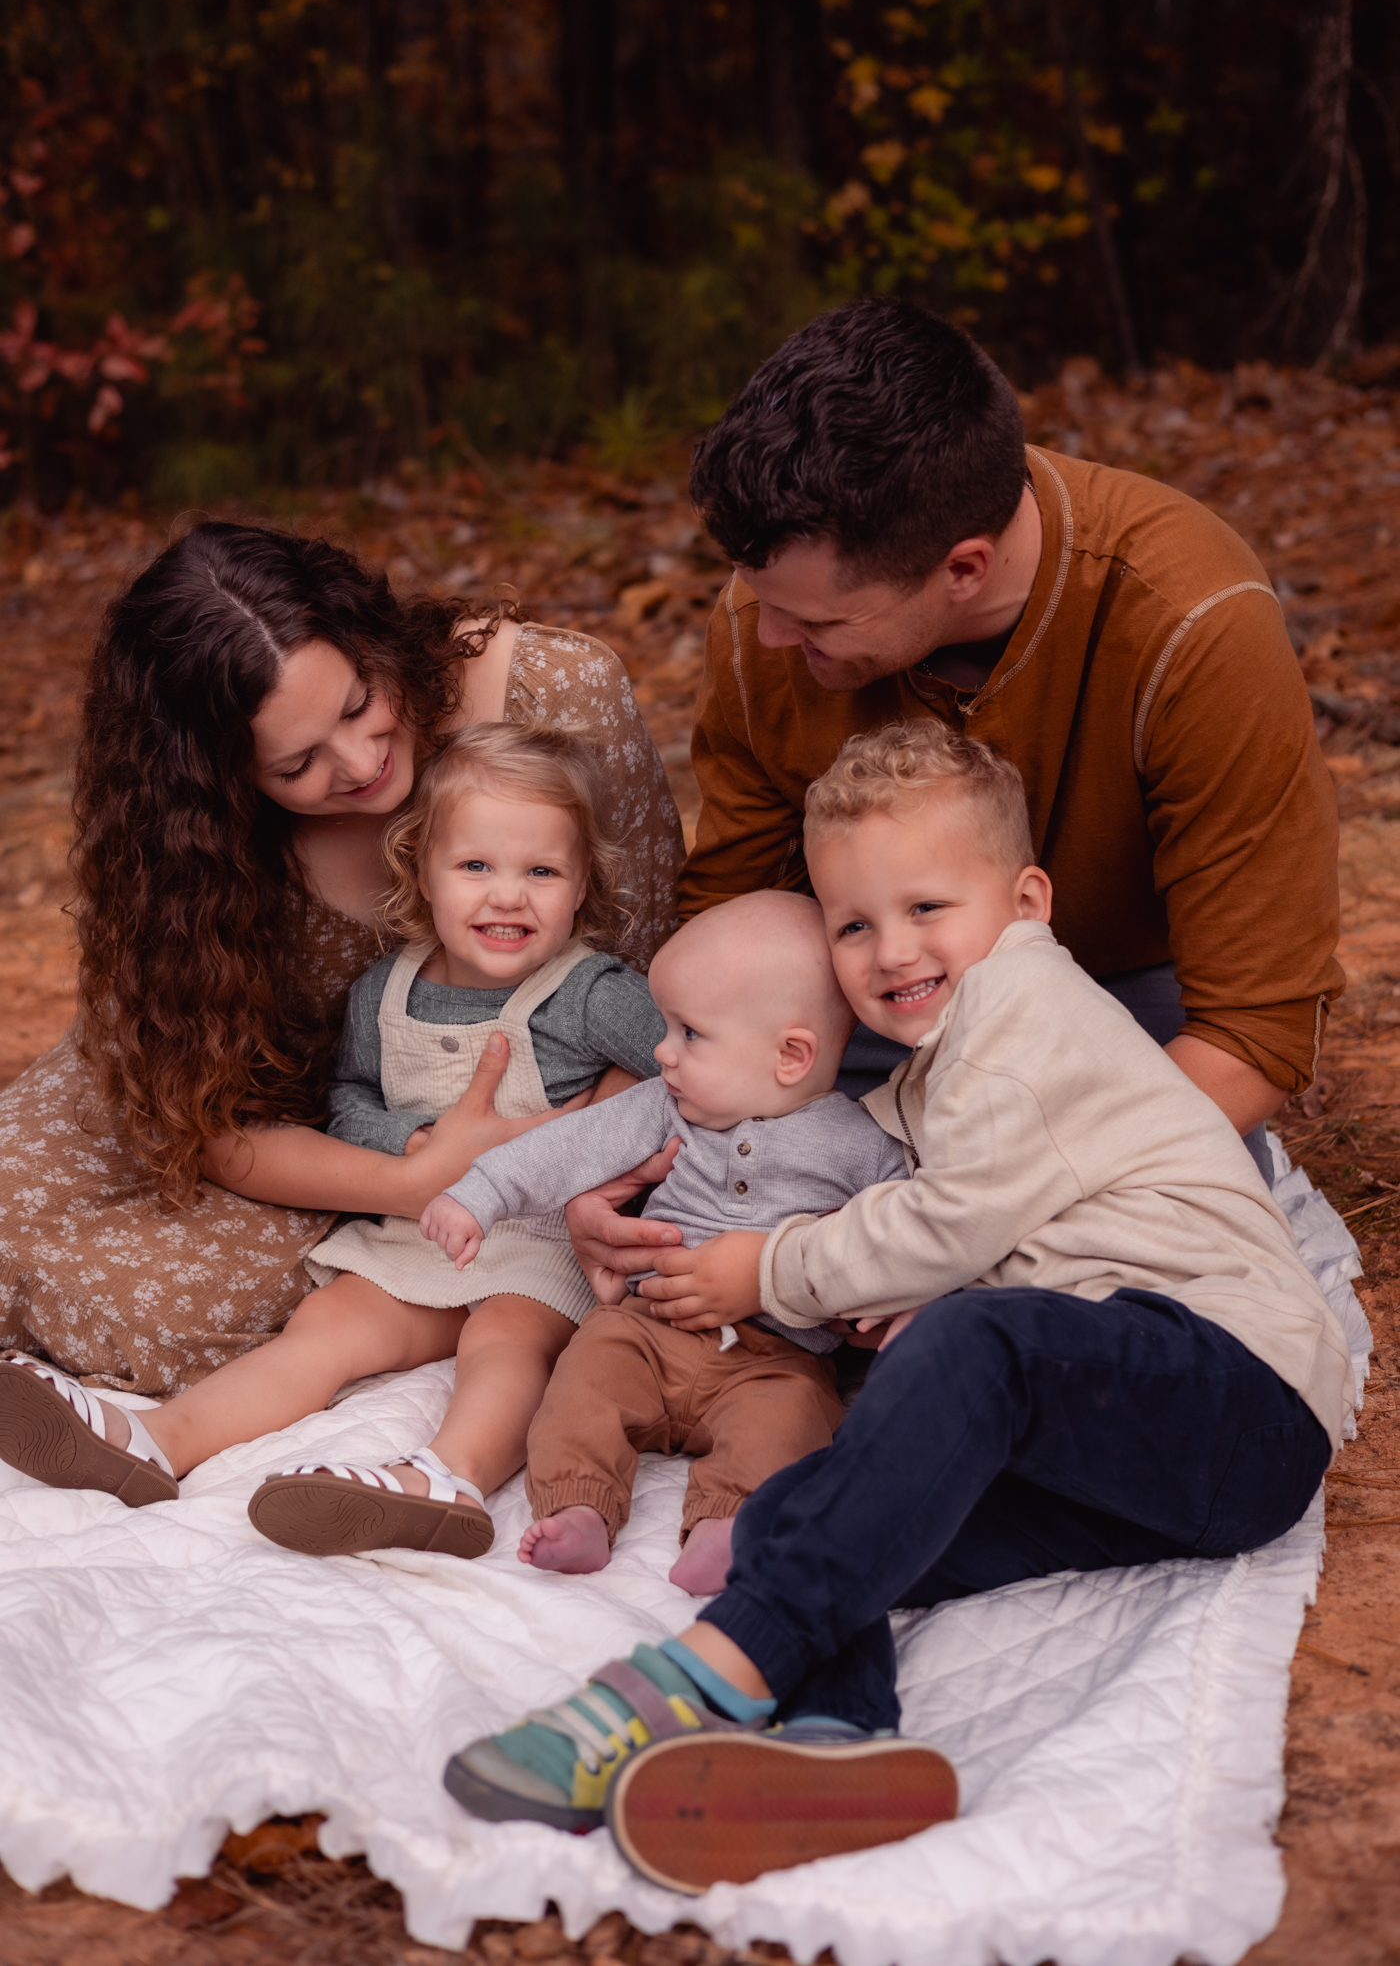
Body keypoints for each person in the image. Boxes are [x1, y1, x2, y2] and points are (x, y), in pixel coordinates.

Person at [443, 723, 1352, 1898]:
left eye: (928, 907)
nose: (890, 950)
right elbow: (873, 1187)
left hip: (1232, 1394)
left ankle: (697, 1678)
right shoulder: (938, 1066)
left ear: (1024, 901)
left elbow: (948, 1222)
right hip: (1139, 1460)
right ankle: (840, 1746)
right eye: (853, 923)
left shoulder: (1027, 1016)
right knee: (799, 1511)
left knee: (977, 1342)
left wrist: (762, 1269)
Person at [562, 297, 1340, 1297]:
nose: (767, 642)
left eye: (814, 622)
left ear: (961, 569)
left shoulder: (1191, 625)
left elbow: (1251, 1029)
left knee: (1125, 1276)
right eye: (762, 606)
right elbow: (728, 943)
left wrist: (941, 1233)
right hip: (867, 1013)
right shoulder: (773, 612)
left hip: (1119, 1025)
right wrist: (622, 1169)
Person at [0, 523, 684, 1400]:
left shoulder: (557, 691)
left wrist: (576, 1171)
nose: (361, 763)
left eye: (360, 703)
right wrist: (414, 1179)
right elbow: (207, 1118)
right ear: (222, 780)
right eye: (297, 763)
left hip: (546, 1140)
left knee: (174, 1311)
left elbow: (653, 989)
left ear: (373, 640)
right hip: (284, 1128)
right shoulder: (186, 849)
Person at [0, 723, 672, 1550]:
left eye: (542, 871)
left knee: (506, 1340)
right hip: (422, 1232)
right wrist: (408, 1141)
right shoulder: (384, 991)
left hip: (541, 1237)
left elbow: (684, 1071)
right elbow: (350, 1096)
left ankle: (448, 1478)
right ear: (421, 873)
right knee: (328, 1326)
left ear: (582, 886)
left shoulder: (592, 992)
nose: (508, 895)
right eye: (475, 867)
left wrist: (599, 1149)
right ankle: (158, 1441)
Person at [421, 891, 904, 1594]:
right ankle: (579, 1505)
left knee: (794, 1422)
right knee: (584, 1377)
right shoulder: (665, 1106)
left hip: (779, 1357)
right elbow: (566, 1148)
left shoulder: (865, 1147)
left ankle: (730, 1524)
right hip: (650, 1328)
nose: (661, 1052)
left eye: (689, 1034)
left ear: (791, 1055)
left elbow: (902, 1238)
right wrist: (479, 1194)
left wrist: (892, 1305)